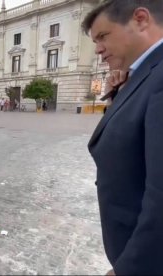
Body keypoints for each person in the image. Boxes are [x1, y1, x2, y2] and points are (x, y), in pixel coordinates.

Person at [82, 0, 163, 274]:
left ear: (141, 19)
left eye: (103, 36)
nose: (98, 49)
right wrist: (120, 94)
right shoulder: (145, 73)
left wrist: (129, 269)